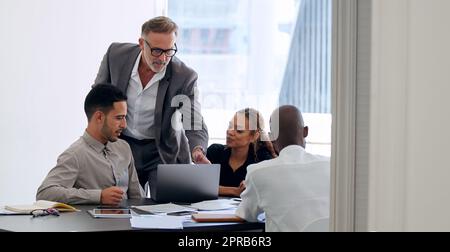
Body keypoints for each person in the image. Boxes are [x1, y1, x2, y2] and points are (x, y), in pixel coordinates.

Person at [94, 16, 208, 189]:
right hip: (122, 144)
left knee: (164, 208)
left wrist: (197, 150)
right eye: (157, 51)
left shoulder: (184, 76)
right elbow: (98, 97)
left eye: (169, 51)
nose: (163, 59)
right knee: (120, 205)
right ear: (141, 43)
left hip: (161, 150)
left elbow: (193, 120)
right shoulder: (116, 56)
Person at [36, 85, 144, 205]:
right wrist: (98, 196)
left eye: (124, 117)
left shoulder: (123, 147)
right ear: (99, 117)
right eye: (119, 118)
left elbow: (136, 196)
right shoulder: (76, 154)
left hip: (127, 222)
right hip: (95, 222)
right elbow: (44, 193)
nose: (124, 125)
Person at [235, 105, 330, 232]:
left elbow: (245, 215)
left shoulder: (258, 173)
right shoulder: (330, 165)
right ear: (306, 131)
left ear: (271, 137)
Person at [196, 108, 277, 197]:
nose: (230, 132)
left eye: (239, 131)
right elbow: (198, 186)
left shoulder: (262, 160)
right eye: (230, 126)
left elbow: (271, 189)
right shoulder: (214, 152)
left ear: (254, 136)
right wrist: (235, 191)